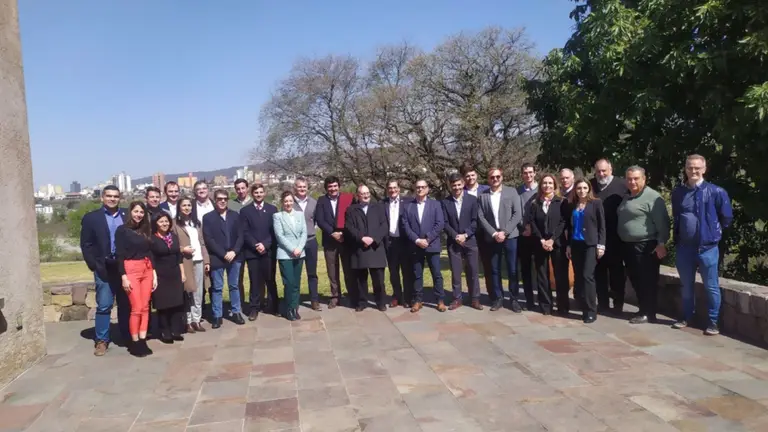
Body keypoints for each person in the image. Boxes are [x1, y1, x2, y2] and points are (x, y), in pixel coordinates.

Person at [671, 154, 732, 335]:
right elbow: (677, 216)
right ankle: (686, 316)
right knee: (686, 285)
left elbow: (726, 217)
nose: (693, 171)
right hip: (685, 248)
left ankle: (713, 322)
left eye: (697, 168)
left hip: (707, 248)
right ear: (685, 169)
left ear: (704, 169)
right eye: (690, 167)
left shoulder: (716, 192)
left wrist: (713, 233)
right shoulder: (678, 193)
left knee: (711, 286)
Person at [80, 185, 130, 356]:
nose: (112, 199)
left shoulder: (127, 215)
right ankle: (101, 340)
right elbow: (86, 244)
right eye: (109, 196)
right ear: (102, 197)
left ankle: (126, 335)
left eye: (115, 196)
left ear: (120, 198)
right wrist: (94, 265)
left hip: (125, 267)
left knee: (126, 304)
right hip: (104, 268)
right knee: (104, 305)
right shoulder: (91, 218)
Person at [617, 166, 670, 324]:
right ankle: (643, 309)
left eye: (636, 178)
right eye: (629, 179)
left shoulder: (653, 197)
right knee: (635, 279)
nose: (632, 182)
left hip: (646, 246)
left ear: (644, 179)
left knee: (647, 280)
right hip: (628, 246)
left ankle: (648, 313)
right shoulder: (627, 196)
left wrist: (661, 243)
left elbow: (663, 223)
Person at [478, 168, 523, 312]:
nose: (495, 179)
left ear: (502, 177)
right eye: (492, 177)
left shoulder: (512, 192)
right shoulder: (483, 196)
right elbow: (481, 217)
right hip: (492, 238)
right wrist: (494, 233)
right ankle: (498, 298)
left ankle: (514, 299)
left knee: (512, 269)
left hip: (510, 236)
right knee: (494, 269)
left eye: (497, 176)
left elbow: (517, 214)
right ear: (488, 179)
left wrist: (505, 232)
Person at [115, 201, 157, 357]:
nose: (138, 215)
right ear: (130, 212)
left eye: (141, 212)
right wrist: (123, 277)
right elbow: (119, 254)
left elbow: (150, 252)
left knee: (145, 307)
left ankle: (142, 338)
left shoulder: (145, 230)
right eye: (136, 211)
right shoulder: (122, 230)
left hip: (146, 268)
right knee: (136, 307)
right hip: (131, 268)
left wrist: (153, 273)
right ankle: (135, 342)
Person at [202, 189, 245, 328]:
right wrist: (223, 253)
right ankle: (217, 315)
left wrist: (234, 251)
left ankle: (236, 312)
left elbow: (241, 235)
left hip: (234, 257)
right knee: (217, 288)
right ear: (215, 200)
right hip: (217, 257)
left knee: (234, 286)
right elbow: (209, 239)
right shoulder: (208, 217)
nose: (222, 201)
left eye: (225, 199)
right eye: (220, 199)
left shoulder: (235, 215)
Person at [526, 174, 567, 315]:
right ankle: (545, 306)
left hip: (557, 243)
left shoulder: (561, 202)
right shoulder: (535, 203)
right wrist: (541, 239)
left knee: (560, 275)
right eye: (544, 183)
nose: (547, 185)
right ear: (541, 185)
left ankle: (563, 306)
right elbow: (532, 222)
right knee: (542, 275)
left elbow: (563, 222)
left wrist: (552, 239)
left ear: (555, 185)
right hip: (540, 244)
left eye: (550, 183)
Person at [590, 158, 628, 313]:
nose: (601, 174)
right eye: (598, 171)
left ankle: (618, 304)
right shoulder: (591, 185)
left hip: (616, 238)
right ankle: (603, 304)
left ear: (611, 170)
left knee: (617, 273)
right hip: (596, 237)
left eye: (604, 171)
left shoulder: (622, 185)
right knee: (599, 272)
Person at [565, 179, 605, 323]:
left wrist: (601, 245)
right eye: (579, 188)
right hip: (576, 244)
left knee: (588, 276)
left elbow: (602, 225)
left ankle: (591, 310)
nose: (582, 191)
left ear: (589, 189)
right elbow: (570, 227)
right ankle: (582, 305)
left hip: (590, 244)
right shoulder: (572, 205)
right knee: (579, 276)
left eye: (584, 188)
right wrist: (569, 245)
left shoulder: (596, 203)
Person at [403, 179, 446, 313]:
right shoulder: (408, 206)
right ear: (415, 189)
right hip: (416, 246)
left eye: (423, 187)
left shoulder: (435, 204)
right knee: (417, 274)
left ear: (427, 189)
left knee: (436, 274)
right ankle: (418, 300)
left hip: (432, 245)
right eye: (418, 187)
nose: (420, 189)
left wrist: (428, 238)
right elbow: (405, 225)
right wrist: (417, 240)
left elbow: (440, 223)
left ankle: (440, 300)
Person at [345, 185, 388, 311]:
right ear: (357, 195)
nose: (366, 195)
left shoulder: (379, 207)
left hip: (375, 248)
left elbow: (384, 225)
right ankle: (362, 302)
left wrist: (373, 239)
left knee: (379, 280)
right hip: (359, 248)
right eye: (363, 193)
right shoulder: (351, 210)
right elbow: (349, 227)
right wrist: (361, 238)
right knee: (360, 280)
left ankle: (380, 302)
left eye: (367, 193)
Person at [442, 173, 482, 310]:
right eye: (454, 185)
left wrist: (466, 234)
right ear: (450, 186)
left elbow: (475, 221)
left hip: (470, 240)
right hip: (454, 242)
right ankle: (457, 298)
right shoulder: (445, 202)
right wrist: (455, 236)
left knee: (473, 270)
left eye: (459, 184)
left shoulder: (472, 200)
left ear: (463, 184)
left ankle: (475, 298)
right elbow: (445, 223)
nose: (457, 187)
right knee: (456, 272)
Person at [315, 176, 355, 308]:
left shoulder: (347, 199)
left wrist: (343, 233)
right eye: (330, 186)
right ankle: (335, 296)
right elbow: (320, 220)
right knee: (332, 271)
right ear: (326, 188)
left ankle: (352, 294)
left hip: (345, 239)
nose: (333, 189)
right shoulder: (321, 201)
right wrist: (333, 233)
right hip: (329, 240)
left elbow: (352, 218)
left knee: (348, 269)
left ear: (339, 186)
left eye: (335, 186)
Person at [240, 183, 279, 320]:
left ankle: (274, 306)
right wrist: (256, 245)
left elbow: (275, 231)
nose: (259, 194)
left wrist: (265, 244)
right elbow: (245, 231)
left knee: (270, 279)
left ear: (264, 193)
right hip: (252, 252)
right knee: (254, 281)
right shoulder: (245, 211)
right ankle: (254, 308)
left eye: (261, 192)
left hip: (268, 251)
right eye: (256, 192)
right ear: (252, 194)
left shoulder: (272, 209)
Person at [173, 196, 209, 333]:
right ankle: (187, 321)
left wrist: (206, 261)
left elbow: (202, 243)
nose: (187, 208)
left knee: (198, 292)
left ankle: (196, 319)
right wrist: (183, 249)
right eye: (184, 205)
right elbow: (172, 244)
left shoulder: (197, 223)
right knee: (187, 291)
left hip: (199, 260)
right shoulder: (174, 224)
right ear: (179, 207)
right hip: (185, 261)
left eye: (189, 205)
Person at [150, 213, 186, 343]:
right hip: (160, 274)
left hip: (175, 273)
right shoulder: (152, 239)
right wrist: (154, 276)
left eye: (166, 221)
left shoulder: (174, 237)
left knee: (176, 303)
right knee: (163, 304)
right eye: (161, 221)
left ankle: (176, 330)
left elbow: (179, 256)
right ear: (155, 223)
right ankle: (165, 332)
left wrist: (182, 273)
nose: (164, 224)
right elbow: (151, 259)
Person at [273, 191, 307, 321]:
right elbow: (280, 236)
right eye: (286, 201)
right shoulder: (278, 216)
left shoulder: (300, 214)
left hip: (299, 253)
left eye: (290, 201)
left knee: (297, 282)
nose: (288, 203)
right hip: (285, 254)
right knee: (289, 282)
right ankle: (289, 308)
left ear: (293, 201)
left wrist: (299, 248)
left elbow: (304, 233)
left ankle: (295, 308)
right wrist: (293, 249)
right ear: (282, 202)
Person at [461, 162, 492, 300]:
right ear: (464, 178)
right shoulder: (461, 191)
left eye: (472, 175)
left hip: (485, 232)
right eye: (467, 176)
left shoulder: (486, 189)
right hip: (469, 233)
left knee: (488, 265)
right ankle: (473, 295)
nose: (470, 178)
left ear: (476, 175)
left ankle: (492, 294)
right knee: (470, 267)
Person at [382, 180, 414, 308]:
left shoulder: (408, 202)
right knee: (393, 272)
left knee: (406, 271)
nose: (392, 190)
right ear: (387, 189)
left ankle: (407, 297)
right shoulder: (382, 203)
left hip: (404, 241)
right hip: (390, 242)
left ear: (399, 189)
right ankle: (396, 296)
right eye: (390, 188)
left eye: (395, 187)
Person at [293, 177, 320, 310]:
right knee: (295, 274)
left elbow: (316, 220)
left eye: (304, 186)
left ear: (307, 188)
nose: (302, 189)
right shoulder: (290, 202)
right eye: (299, 186)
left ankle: (314, 300)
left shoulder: (314, 202)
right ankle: (294, 301)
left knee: (312, 273)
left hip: (310, 241)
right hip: (296, 243)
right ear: (295, 188)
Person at [227, 178, 251, 318]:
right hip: (238, 246)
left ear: (247, 188)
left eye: (243, 188)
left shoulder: (253, 202)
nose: (241, 191)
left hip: (252, 245)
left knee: (256, 277)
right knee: (237, 279)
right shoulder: (231, 204)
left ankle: (257, 303)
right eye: (238, 189)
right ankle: (239, 304)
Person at [517, 163, 539, 310]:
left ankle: (544, 300)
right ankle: (529, 300)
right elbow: (516, 211)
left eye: (530, 172)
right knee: (525, 269)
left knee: (541, 269)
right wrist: (523, 228)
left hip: (538, 234)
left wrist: (533, 227)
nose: (528, 175)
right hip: (523, 234)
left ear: (535, 173)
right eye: (525, 173)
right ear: (522, 175)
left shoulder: (542, 188)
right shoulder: (517, 191)